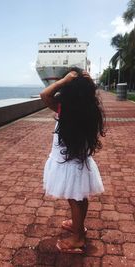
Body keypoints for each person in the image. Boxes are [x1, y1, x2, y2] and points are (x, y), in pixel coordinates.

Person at [40, 67, 105, 254]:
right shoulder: (90, 110)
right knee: (80, 197)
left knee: (75, 199)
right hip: (79, 162)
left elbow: (44, 94)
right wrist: (87, 82)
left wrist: (63, 81)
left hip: (67, 163)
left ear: (68, 91)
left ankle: (78, 239)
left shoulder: (63, 108)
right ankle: (79, 226)